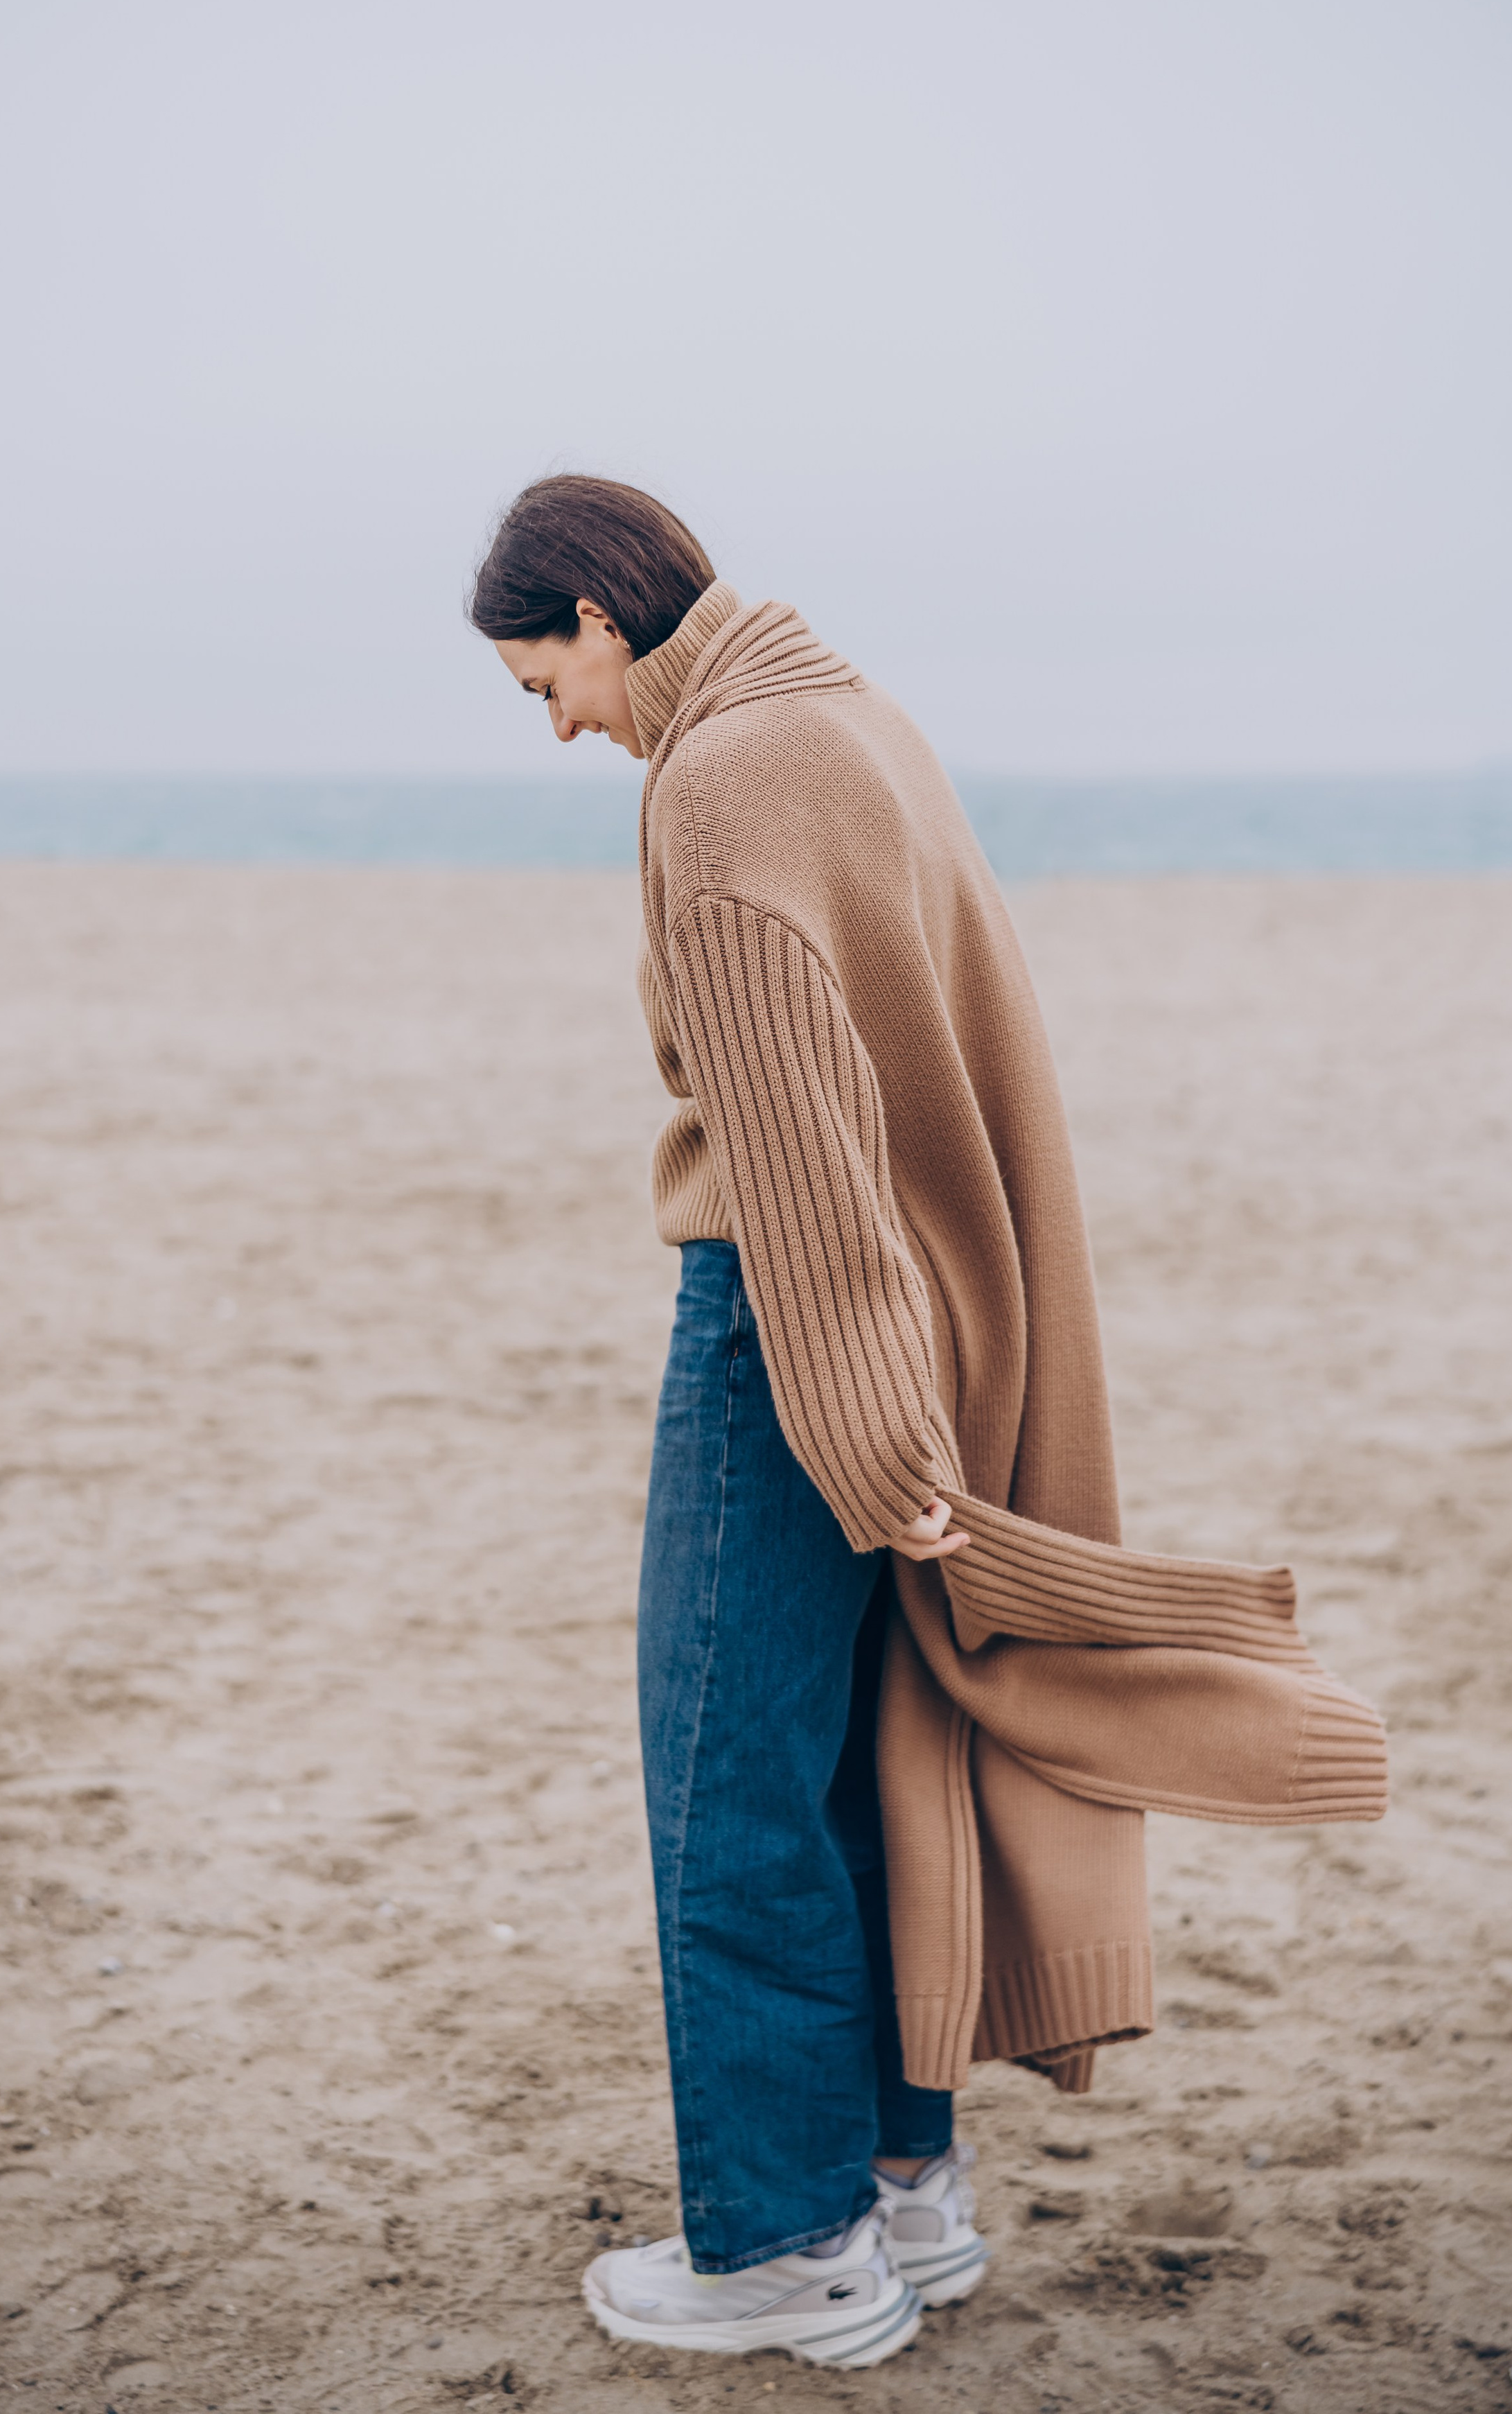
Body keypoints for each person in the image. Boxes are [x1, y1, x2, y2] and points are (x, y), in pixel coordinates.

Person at [468, 475, 1388, 2372]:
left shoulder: (720, 778)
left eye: (543, 681)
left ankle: (790, 2249)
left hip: (803, 1326)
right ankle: (903, 2183)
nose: (557, 726)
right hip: (944, 1305)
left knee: (729, 1778)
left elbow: (798, 1144)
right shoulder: (850, 713)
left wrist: (870, 1426)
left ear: (600, 620)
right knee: (857, 1756)